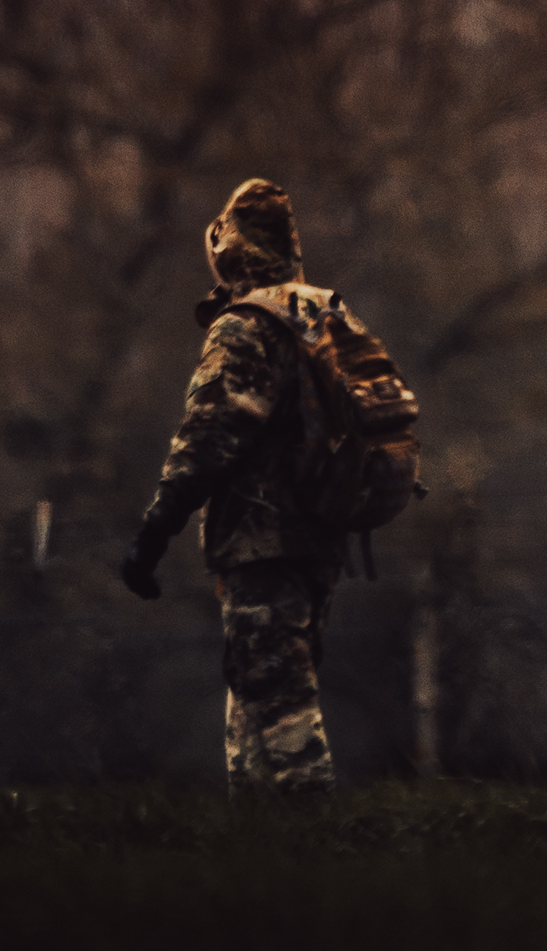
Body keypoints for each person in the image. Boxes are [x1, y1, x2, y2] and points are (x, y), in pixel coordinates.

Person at [119, 177, 361, 795]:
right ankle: (257, 852)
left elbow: (206, 438)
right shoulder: (325, 313)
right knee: (260, 691)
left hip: (265, 539)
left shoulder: (247, 326)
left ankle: (322, 855)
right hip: (324, 537)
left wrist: (155, 532)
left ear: (231, 249)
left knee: (281, 706)